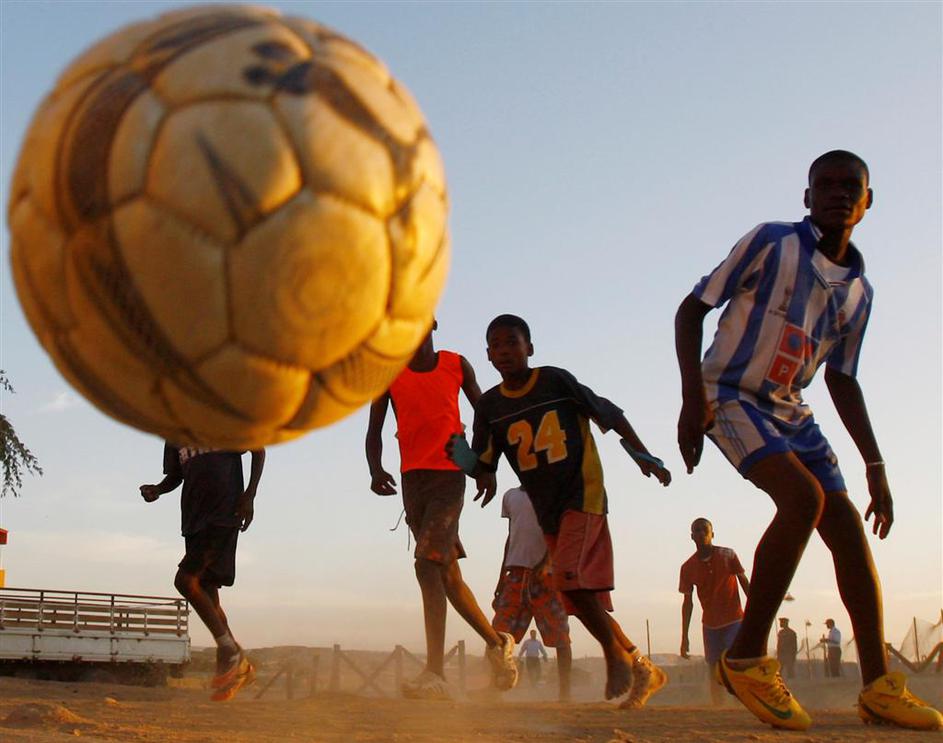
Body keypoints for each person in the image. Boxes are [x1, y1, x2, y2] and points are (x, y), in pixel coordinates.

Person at [674, 149, 942, 731]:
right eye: (826, 184)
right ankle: (746, 657)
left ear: (867, 202)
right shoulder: (771, 242)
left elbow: (842, 379)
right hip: (729, 393)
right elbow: (691, 311)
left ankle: (878, 687)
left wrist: (875, 465)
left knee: (847, 531)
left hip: (791, 410)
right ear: (807, 197)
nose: (838, 193)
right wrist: (692, 400)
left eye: (851, 186)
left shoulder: (860, 293)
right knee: (802, 499)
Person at [449, 314, 672, 709]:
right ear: (488, 355)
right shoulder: (489, 406)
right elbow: (485, 464)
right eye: (496, 345)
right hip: (547, 510)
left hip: (582, 494)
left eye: (512, 342)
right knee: (577, 597)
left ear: (530, 348)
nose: (504, 351)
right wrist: (461, 455)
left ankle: (614, 655)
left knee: (568, 578)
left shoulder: (555, 381)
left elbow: (608, 413)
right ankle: (642, 666)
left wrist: (641, 454)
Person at [365, 321, 517, 700]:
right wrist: (375, 469)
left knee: (425, 565)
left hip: (451, 474)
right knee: (447, 576)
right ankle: (497, 643)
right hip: (413, 482)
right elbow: (374, 430)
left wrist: (483, 465)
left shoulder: (455, 364)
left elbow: (486, 415)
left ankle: (435, 672)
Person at [140, 444, 265, 702]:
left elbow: (258, 449)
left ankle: (229, 651)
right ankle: (240, 665)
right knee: (207, 593)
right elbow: (176, 475)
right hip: (193, 520)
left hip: (223, 514)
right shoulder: (173, 436)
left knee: (185, 581)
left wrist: (250, 495)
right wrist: (158, 489)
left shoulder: (218, 421)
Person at [492, 486, 572, 700]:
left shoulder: (552, 492)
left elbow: (559, 531)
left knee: (560, 635)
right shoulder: (510, 496)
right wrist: (501, 577)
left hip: (546, 576)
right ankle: (493, 689)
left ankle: (565, 693)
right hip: (516, 573)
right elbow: (511, 536)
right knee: (497, 633)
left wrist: (547, 562)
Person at [679, 518, 749, 705]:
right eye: (697, 530)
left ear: (712, 534)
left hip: (734, 619)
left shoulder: (728, 555)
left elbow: (744, 582)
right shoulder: (687, 567)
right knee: (713, 666)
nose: (701, 533)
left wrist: (756, 612)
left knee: (733, 661)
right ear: (692, 536)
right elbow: (687, 603)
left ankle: (741, 703)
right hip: (710, 624)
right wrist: (684, 636)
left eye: (705, 530)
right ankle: (718, 705)